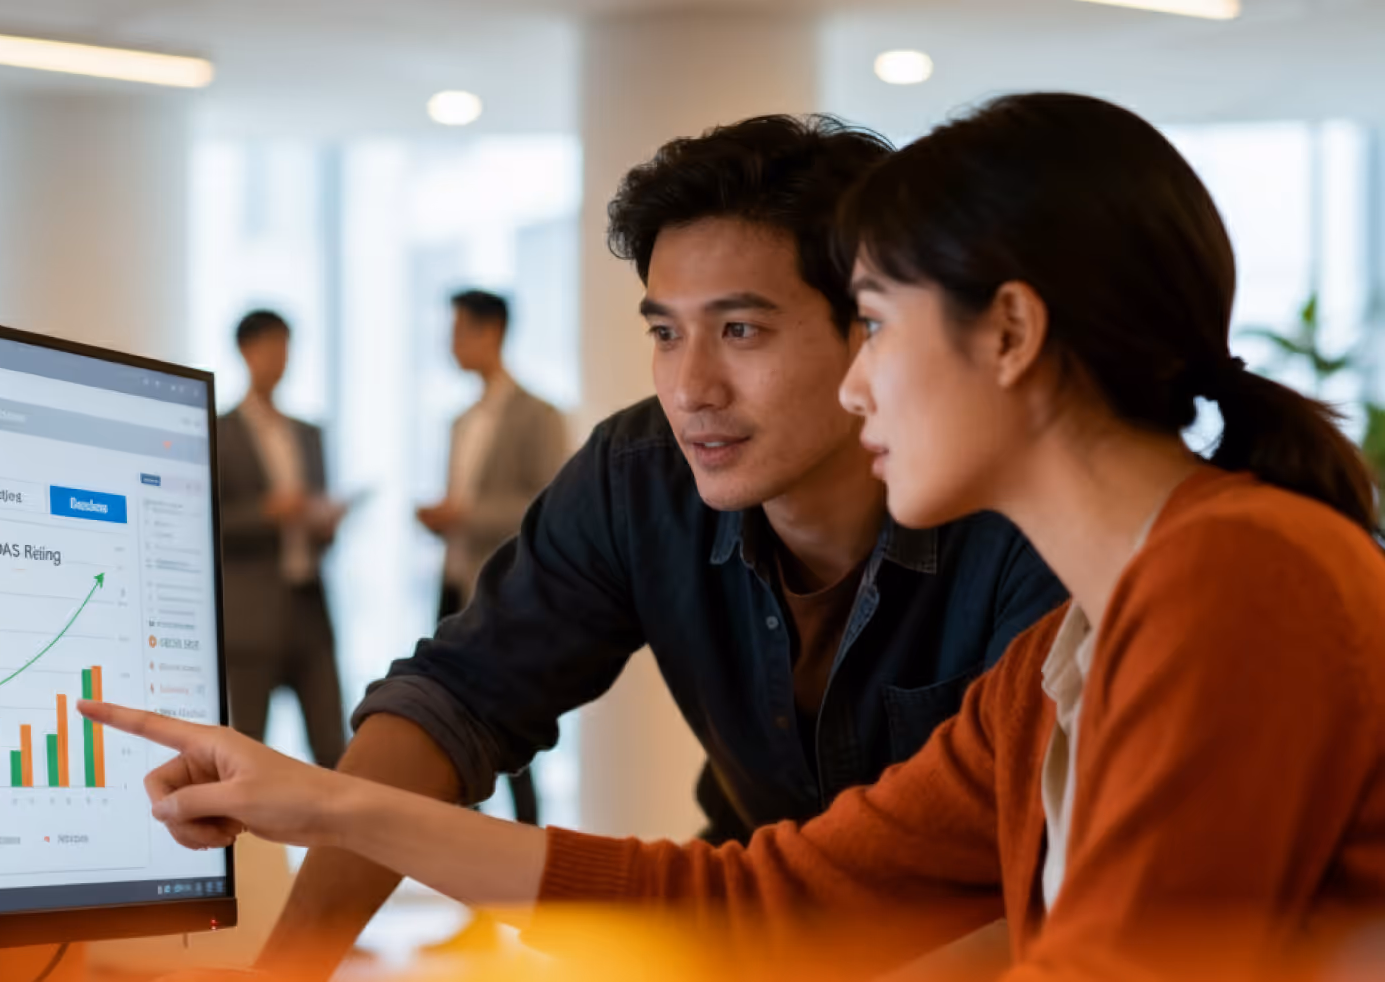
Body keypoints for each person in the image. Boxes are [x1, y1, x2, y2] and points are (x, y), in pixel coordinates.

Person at [97, 94, 1385, 979]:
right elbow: (760, 900)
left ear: (1009, 333)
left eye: (873, 323)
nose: (860, 383)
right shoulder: (1053, 673)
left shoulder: (1236, 578)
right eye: (667, 331)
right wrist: (326, 801)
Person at [416, 287, 570, 828]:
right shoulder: (459, 421)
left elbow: (547, 503)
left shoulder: (540, 415)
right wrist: (444, 521)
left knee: (517, 733)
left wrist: (465, 514)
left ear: (491, 333)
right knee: (456, 726)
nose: (450, 344)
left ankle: (529, 865)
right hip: (456, 588)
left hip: (508, 596)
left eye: (459, 331)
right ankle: (471, 861)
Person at [218, 310, 347, 769]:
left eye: (286, 347)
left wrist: (324, 524)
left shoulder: (308, 434)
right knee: (250, 750)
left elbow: (317, 523)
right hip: (251, 613)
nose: (279, 358)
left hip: (309, 604)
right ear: (246, 352)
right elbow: (211, 522)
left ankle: (336, 844)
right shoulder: (219, 431)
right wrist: (267, 513)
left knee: (334, 747)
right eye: (270, 347)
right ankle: (252, 845)